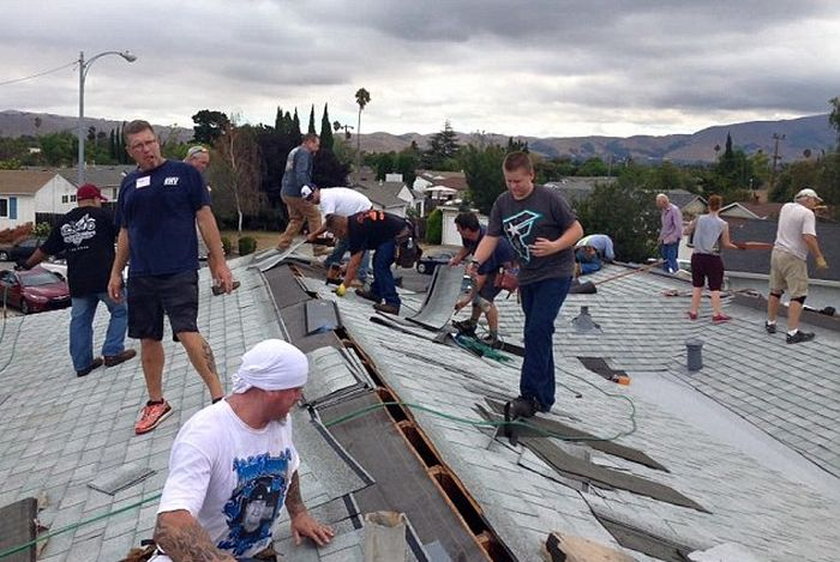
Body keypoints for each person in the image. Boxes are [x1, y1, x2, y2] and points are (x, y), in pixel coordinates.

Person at [151, 339, 334, 561]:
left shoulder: (280, 420)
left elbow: (289, 465)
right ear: (270, 389)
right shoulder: (204, 435)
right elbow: (170, 524)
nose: (299, 397)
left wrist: (299, 512)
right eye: (295, 389)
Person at [108, 120, 235, 435]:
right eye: (138, 145)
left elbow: (205, 218)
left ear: (158, 142)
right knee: (148, 338)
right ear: (130, 150)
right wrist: (115, 272)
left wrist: (219, 263)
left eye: (150, 142)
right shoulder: (128, 185)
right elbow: (125, 231)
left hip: (179, 269)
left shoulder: (185, 174)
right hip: (141, 274)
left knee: (187, 332)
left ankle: (220, 399)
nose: (146, 149)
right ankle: (156, 402)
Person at [471, 152, 583, 418]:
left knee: (538, 329)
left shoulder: (549, 198)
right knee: (538, 334)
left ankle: (529, 396)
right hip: (529, 276)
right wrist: (476, 261)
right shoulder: (502, 203)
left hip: (556, 272)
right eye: (509, 181)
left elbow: (576, 229)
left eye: (518, 181)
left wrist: (555, 245)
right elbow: (492, 237)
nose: (514, 187)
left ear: (531, 176)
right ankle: (546, 397)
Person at [22, 183, 136, 377]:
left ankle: (82, 364)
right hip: (106, 278)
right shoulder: (105, 216)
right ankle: (112, 352)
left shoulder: (64, 222)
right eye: (100, 200)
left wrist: (27, 265)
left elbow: (46, 249)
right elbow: (127, 236)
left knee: (80, 322)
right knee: (121, 311)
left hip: (78, 281)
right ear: (95, 198)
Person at [765, 188, 828, 344]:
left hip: (777, 253)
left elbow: (797, 213)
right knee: (798, 294)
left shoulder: (786, 207)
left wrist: (813, 210)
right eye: (815, 201)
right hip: (793, 257)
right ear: (808, 199)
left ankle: (770, 323)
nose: (816, 204)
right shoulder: (808, 214)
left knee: (775, 290)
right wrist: (819, 257)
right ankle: (792, 333)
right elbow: (808, 237)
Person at [449, 211, 517, 347]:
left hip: (505, 270)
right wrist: (457, 258)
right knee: (478, 297)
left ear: (467, 230)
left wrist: (466, 300)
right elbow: (467, 247)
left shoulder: (486, 245)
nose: (457, 231)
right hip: (491, 266)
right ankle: (472, 324)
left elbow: (479, 280)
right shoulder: (470, 235)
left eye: (458, 228)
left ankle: (494, 337)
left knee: (484, 300)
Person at [327, 210, 412, 315]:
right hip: (393, 232)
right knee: (378, 262)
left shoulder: (355, 230)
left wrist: (344, 286)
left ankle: (393, 303)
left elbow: (356, 262)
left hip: (399, 234)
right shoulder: (353, 221)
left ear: (341, 230)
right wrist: (346, 267)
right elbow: (357, 257)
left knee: (381, 265)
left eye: (336, 234)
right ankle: (376, 293)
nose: (337, 238)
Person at [683, 195, 741, 323]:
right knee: (715, 287)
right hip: (712, 258)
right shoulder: (723, 224)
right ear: (720, 207)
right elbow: (726, 243)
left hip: (697, 256)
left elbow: (686, 231)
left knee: (697, 285)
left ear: (708, 206)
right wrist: (738, 247)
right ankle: (716, 313)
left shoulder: (699, 219)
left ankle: (693, 311)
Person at [303, 186, 373, 285]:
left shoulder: (325, 199)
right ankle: (330, 262)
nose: (311, 201)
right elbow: (333, 223)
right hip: (355, 212)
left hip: (363, 212)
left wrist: (314, 234)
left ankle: (361, 277)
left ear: (316, 190)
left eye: (311, 197)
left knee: (361, 244)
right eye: (308, 199)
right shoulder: (325, 196)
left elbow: (330, 223)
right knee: (344, 238)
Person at [276, 134, 325, 254]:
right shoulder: (304, 153)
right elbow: (301, 173)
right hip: (297, 193)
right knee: (315, 215)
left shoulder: (295, 151)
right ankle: (319, 247)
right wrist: (309, 190)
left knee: (297, 219)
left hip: (286, 191)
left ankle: (283, 245)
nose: (317, 149)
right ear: (309, 142)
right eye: (316, 145)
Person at [184, 145, 211, 261]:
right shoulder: (175, 174)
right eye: (202, 163)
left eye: (206, 164)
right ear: (192, 159)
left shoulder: (198, 179)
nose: (204, 167)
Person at [656, 193, 682, 273]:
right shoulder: (664, 211)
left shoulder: (674, 210)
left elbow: (678, 226)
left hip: (672, 239)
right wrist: (661, 238)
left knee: (671, 258)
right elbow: (665, 227)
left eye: (658, 202)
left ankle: (676, 273)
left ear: (663, 202)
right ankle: (665, 273)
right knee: (665, 258)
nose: (657, 204)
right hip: (665, 239)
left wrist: (674, 238)